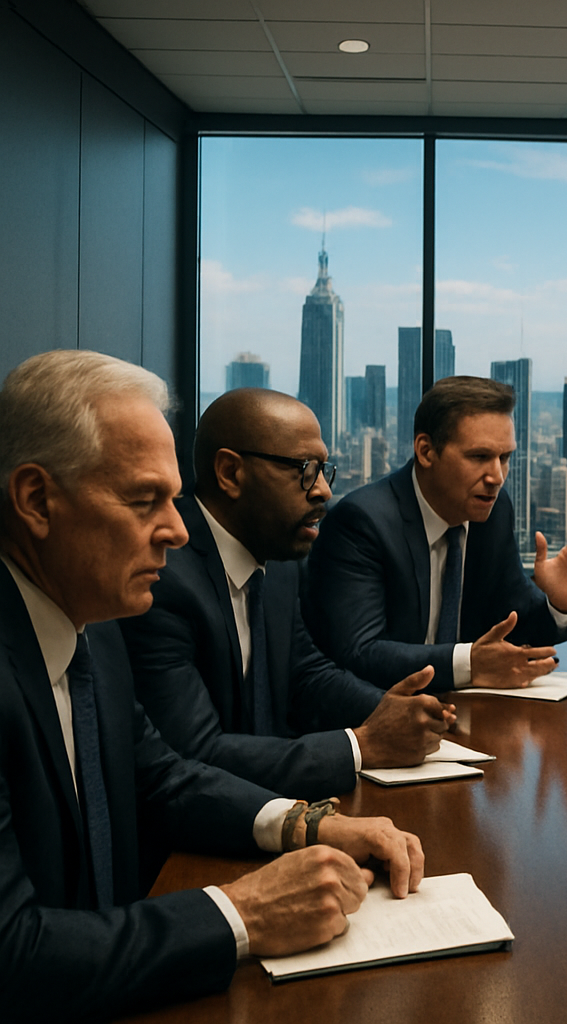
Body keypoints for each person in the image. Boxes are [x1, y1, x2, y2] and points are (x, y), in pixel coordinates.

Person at [0, 350, 425, 1019]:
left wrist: (309, 825)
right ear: (35, 500)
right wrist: (243, 912)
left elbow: (162, 777)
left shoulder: (93, 624)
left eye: (172, 499)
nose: (175, 530)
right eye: (145, 501)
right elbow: (12, 957)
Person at [119, 389, 455, 800]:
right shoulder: (161, 576)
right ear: (230, 472)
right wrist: (362, 746)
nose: (322, 491)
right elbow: (194, 752)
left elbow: (304, 672)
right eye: (304, 469)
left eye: (323, 470)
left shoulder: (278, 560)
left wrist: (387, 707)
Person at [305, 375, 567, 692]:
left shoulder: (493, 511)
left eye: (505, 458)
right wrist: (470, 664)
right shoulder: (362, 521)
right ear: (426, 451)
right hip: (380, 719)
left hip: (468, 714)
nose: (497, 477)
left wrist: (558, 604)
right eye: (479, 457)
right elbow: (358, 652)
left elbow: (514, 628)